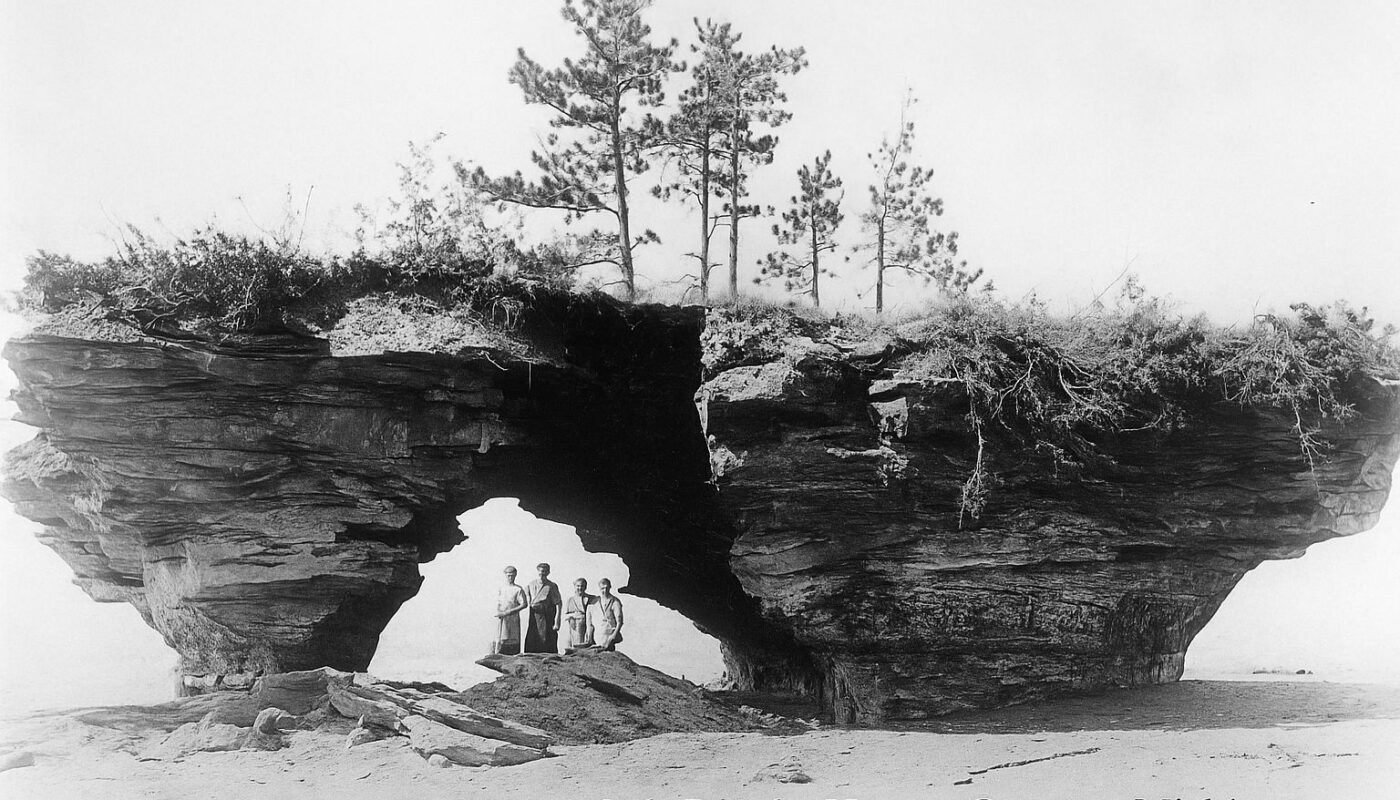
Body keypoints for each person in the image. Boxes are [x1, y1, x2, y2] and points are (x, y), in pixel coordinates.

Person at [523, 562, 563, 653]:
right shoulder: (531, 584)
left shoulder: (552, 586)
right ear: (537, 571)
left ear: (548, 572)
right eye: (540, 571)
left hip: (547, 616)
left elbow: (558, 603)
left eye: (544, 571)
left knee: (547, 639)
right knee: (533, 637)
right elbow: (526, 599)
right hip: (534, 615)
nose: (542, 573)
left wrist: (557, 621)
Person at [492, 566, 527, 655]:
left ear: (515, 575)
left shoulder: (518, 589)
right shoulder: (501, 588)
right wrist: (499, 612)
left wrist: (509, 612)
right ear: (505, 575)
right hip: (501, 618)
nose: (510, 577)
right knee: (499, 640)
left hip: (513, 619)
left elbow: (524, 604)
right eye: (508, 575)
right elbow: (498, 602)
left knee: (512, 641)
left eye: (512, 575)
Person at [564, 577, 597, 651]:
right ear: (575, 586)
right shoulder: (570, 600)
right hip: (575, 624)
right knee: (576, 642)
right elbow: (566, 614)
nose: (580, 588)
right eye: (578, 586)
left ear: (585, 587)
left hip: (588, 623)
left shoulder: (591, 598)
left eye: (582, 586)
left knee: (588, 641)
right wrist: (571, 618)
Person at [592, 577, 624, 651]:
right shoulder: (596, 601)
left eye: (607, 588)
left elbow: (619, 621)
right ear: (599, 589)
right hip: (598, 635)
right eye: (602, 588)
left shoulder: (615, 601)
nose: (605, 590)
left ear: (610, 587)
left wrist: (614, 635)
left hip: (610, 635)